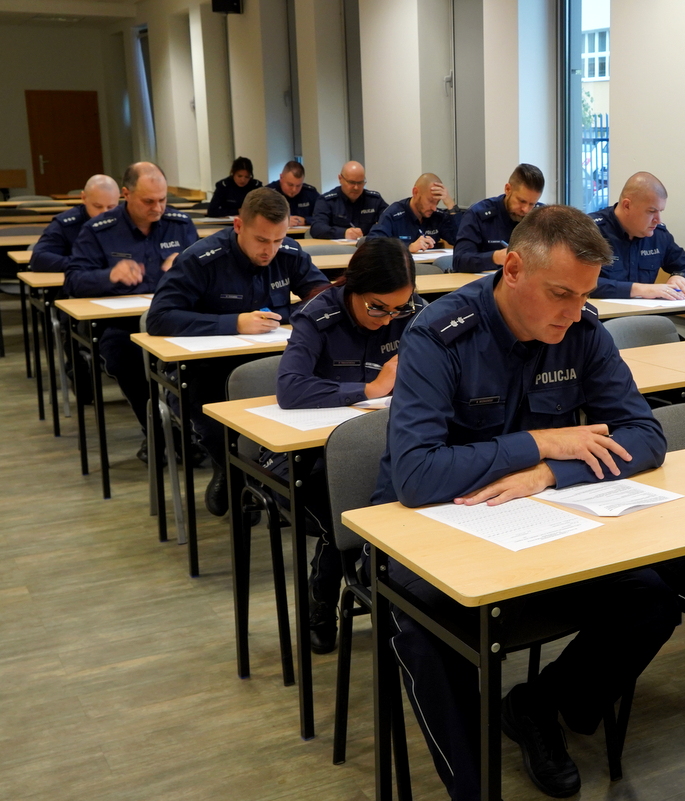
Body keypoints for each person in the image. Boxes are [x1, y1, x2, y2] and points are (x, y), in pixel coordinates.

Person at [372, 205, 679, 799]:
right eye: (561, 293)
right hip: (431, 533)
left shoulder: (581, 332)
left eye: (585, 295)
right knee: (433, 636)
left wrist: (548, 472)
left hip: (536, 525)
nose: (574, 311)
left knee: (651, 599)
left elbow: (646, 437)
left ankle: (539, 705)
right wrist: (540, 441)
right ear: (512, 269)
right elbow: (416, 474)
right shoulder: (439, 335)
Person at [263, 237, 421, 653]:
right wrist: (369, 389)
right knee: (347, 511)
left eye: (399, 309)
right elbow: (290, 389)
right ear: (353, 286)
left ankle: (394, 596)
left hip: (381, 448)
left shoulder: (411, 313)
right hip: (306, 457)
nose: (389, 319)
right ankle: (323, 597)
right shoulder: (318, 316)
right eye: (378, 308)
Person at [147, 188, 330, 517]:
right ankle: (231, 471)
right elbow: (159, 318)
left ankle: (267, 478)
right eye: (261, 240)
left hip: (269, 361)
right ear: (238, 225)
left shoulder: (289, 252)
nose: (270, 250)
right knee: (215, 418)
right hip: (208, 367)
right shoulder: (202, 258)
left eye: (278, 240)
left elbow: (322, 301)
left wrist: (285, 316)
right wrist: (233, 323)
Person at [65, 162, 198, 460]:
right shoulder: (100, 230)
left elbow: (206, 276)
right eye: (148, 201)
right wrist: (109, 275)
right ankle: (157, 431)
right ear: (126, 194)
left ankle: (191, 430)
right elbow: (73, 281)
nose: (158, 208)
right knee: (125, 355)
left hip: (172, 315)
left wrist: (186, 268)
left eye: (163, 199)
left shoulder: (180, 224)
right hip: (120, 322)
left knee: (201, 358)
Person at [589, 172, 685, 299]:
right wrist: (639, 289)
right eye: (651, 211)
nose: (658, 220)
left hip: (644, 310)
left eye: (660, 211)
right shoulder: (590, 231)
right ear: (627, 206)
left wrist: (682, 278)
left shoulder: (658, 235)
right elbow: (579, 282)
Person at [451, 163, 543, 273]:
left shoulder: (542, 216)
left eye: (532, 204)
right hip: (489, 281)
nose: (526, 210)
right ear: (508, 189)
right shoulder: (478, 214)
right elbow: (459, 260)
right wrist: (495, 257)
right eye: (521, 201)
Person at [30, 174, 120, 272]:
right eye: (97, 206)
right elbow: (38, 259)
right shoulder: (66, 224)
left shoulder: (125, 220)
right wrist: (82, 264)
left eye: (111, 207)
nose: (104, 213)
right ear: (84, 198)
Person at [367, 172, 460, 252]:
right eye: (430, 201)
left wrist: (451, 205)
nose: (434, 208)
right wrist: (408, 247)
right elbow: (373, 244)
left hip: (431, 266)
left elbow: (460, 240)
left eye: (437, 202)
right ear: (415, 192)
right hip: (402, 266)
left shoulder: (436, 216)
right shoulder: (394, 214)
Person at [310, 161, 387, 240]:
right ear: (340, 179)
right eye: (351, 182)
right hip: (338, 246)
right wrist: (343, 233)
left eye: (360, 183)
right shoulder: (327, 201)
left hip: (367, 245)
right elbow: (317, 228)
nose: (356, 187)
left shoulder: (374, 200)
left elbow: (390, 220)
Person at [266, 160, 321, 225]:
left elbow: (323, 217)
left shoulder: (310, 193)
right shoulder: (268, 193)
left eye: (298, 185)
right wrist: (281, 221)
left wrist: (306, 220)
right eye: (290, 185)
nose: (294, 189)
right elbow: (259, 219)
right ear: (281, 177)